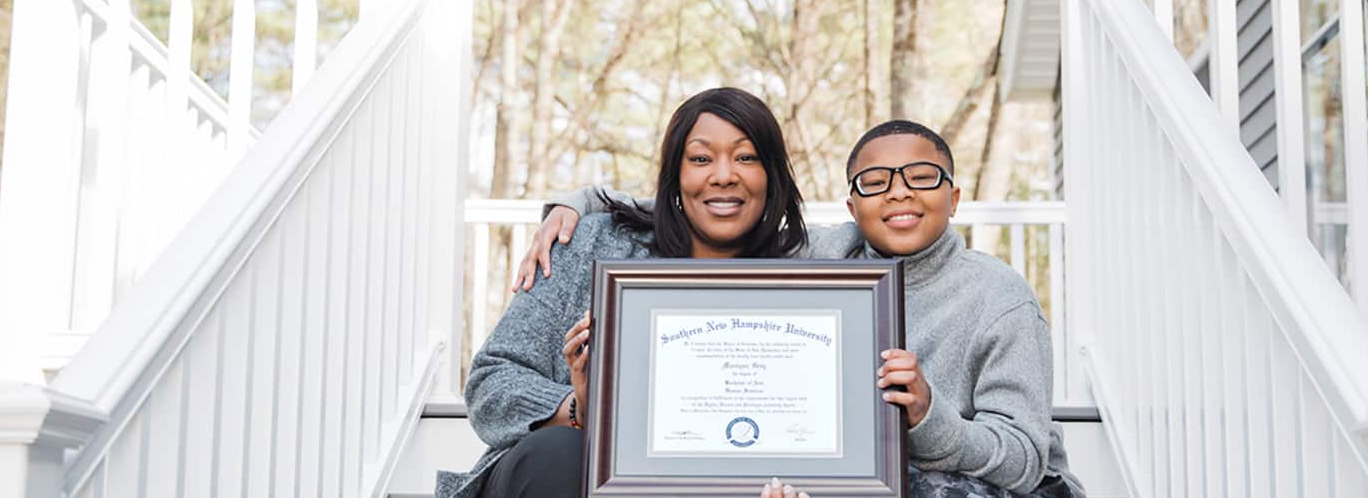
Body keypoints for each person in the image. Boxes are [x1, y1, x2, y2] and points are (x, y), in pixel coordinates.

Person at [526, 120, 1083, 497]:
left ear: (954, 197)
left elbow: (1025, 461)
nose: (899, 194)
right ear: (852, 204)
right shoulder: (822, 255)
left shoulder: (1000, 299)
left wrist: (927, 415)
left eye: (922, 178)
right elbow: (713, 206)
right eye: (875, 182)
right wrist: (576, 204)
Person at [435, 87, 825, 498]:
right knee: (558, 452)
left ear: (773, 175)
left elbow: (888, 222)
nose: (724, 175)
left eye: (746, 157)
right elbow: (489, 383)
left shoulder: (812, 276)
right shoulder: (594, 244)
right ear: (675, 175)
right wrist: (579, 408)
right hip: (569, 475)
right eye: (700, 158)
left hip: (719, 481)